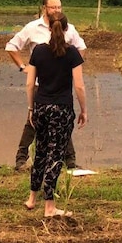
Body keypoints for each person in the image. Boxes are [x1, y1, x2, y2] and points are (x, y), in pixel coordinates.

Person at [6, 0, 87, 171]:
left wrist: (71, 67)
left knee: (62, 120)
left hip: (60, 84)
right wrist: (23, 67)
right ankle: (21, 159)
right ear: (44, 8)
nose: (57, 10)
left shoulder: (69, 28)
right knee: (34, 121)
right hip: (39, 85)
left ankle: (69, 161)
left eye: (59, 7)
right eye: (53, 7)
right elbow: (11, 46)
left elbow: (82, 48)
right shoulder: (32, 28)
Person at [22, 12, 87, 217]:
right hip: (62, 109)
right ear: (67, 29)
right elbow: (79, 86)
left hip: (41, 107)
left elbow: (30, 84)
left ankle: (32, 198)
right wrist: (84, 110)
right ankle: (49, 206)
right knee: (55, 155)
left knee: (40, 152)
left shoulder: (38, 52)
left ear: (49, 28)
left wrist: (31, 109)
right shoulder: (73, 54)